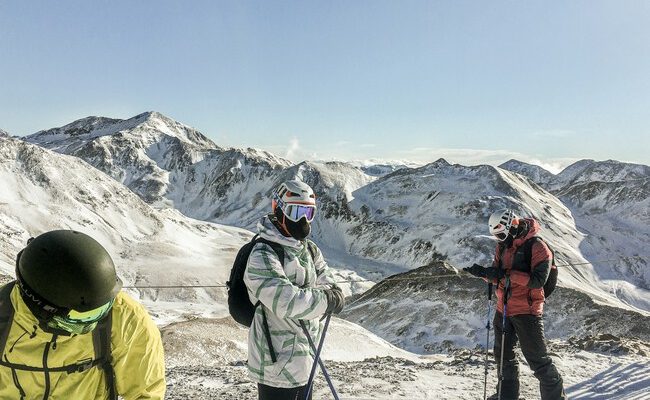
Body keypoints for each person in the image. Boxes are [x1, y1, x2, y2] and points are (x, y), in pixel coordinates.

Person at [0, 230, 165, 399]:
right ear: (42, 308)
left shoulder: (124, 318)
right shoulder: (4, 315)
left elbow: (146, 393)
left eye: (101, 311)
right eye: (82, 318)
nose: (90, 325)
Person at [244, 180, 345, 400]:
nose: (302, 220)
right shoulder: (263, 254)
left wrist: (322, 296)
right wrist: (325, 299)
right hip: (275, 366)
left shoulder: (309, 249)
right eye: (296, 211)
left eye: (308, 213)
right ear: (279, 210)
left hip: (306, 360)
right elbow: (286, 302)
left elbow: (329, 282)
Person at [464, 209, 566, 400]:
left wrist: (506, 275)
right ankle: (507, 396)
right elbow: (498, 274)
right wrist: (485, 273)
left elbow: (538, 281)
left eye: (501, 235)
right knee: (504, 358)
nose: (499, 239)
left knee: (539, 362)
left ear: (512, 227)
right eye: (496, 236)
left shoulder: (538, 247)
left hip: (527, 312)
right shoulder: (502, 247)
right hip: (503, 309)